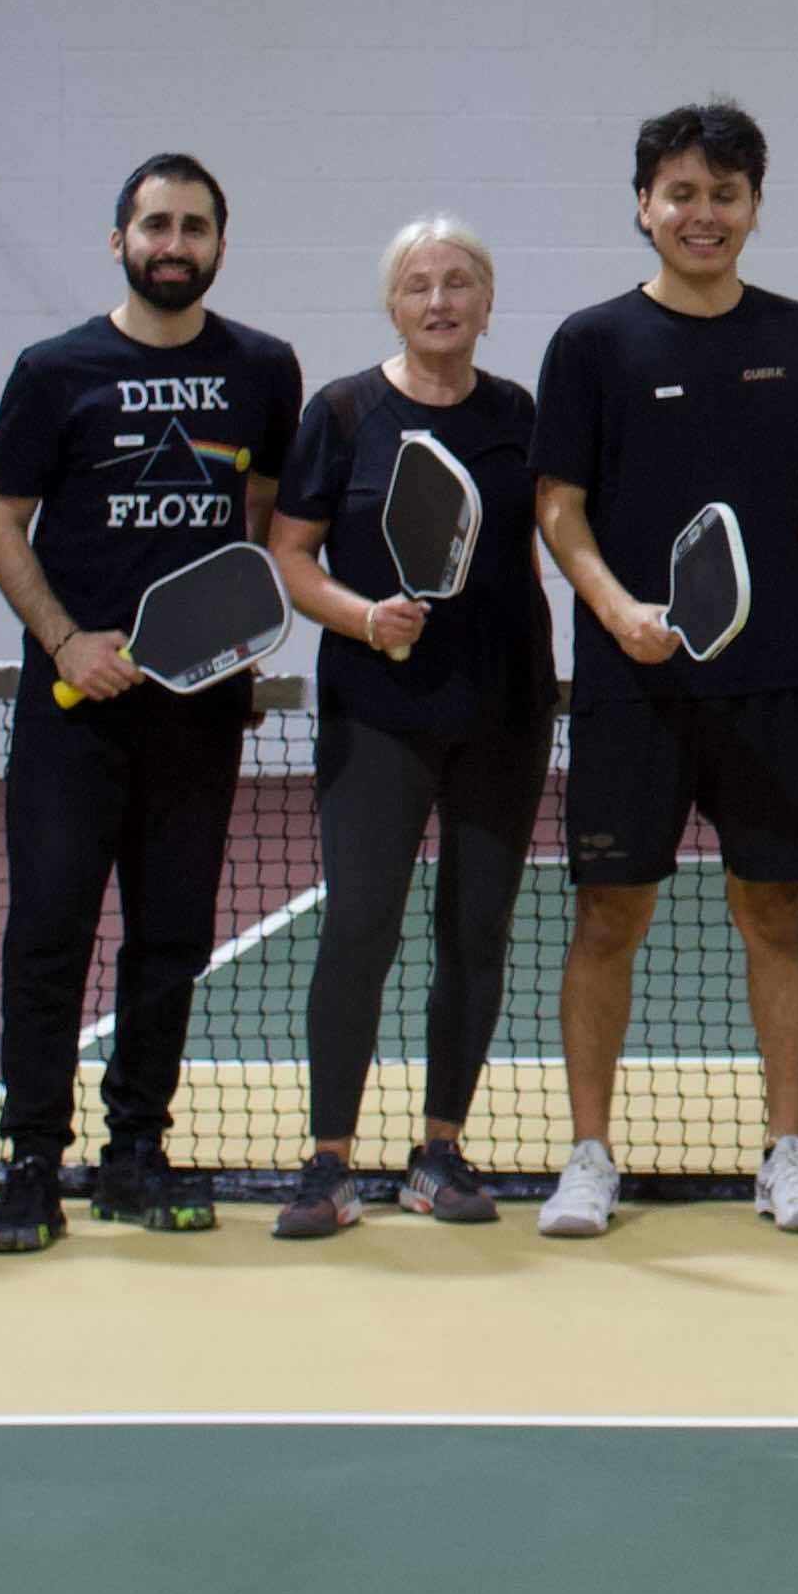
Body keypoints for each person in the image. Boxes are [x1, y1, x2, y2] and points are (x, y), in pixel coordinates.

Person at [0, 152, 303, 1254]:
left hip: (195, 719)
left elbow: (257, 515)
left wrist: (224, 639)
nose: (174, 242)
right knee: (49, 937)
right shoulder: (54, 370)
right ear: (119, 240)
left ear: (218, 244)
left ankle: (136, 1154)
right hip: (73, 710)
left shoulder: (264, 367)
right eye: (155, 224)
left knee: (170, 941)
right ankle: (30, 1160)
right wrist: (66, 637)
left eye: (195, 226)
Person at [530, 97, 798, 1240]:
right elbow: (557, 509)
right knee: (608, 917)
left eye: (725, 193)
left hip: (759, 687)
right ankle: (586, 1157)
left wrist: (787, 640)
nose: (702, 213)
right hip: (632, 682)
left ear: (754, 208)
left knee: (776, 911)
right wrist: (616, 611)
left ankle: (788, 1155)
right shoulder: (590, 343)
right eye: (681, 192)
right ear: (644, 206)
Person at [264, 217, 556, 1240]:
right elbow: (290, 556)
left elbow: (560, 533)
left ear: (485, 301)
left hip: (506, 711)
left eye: (459, 283)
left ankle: (439, 1151)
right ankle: (328, 1161)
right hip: (377, 713)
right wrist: (359, 616)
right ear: (393, 305)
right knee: (361, 928)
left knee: (474, 934)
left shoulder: (521, 414)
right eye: (418, 285)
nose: (439, 301)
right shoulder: (343, 412)